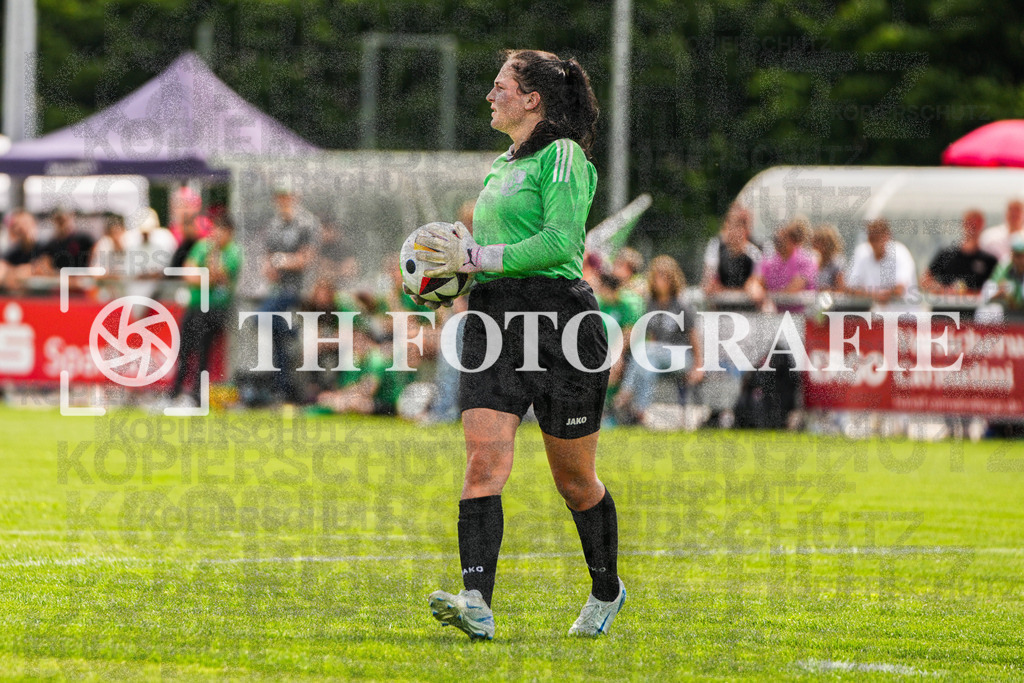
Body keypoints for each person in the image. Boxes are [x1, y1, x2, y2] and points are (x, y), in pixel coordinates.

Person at [411, 49, 624, 640]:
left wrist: (478, 256)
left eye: (499, 85)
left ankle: (606, 589)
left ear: (533, 99)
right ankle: (476, 598)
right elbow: (481, 257)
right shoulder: (499, 166)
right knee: (483, 461)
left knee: (575, 481)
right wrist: (442, 277)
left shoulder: (564, 156)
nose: (490, 95)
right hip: (493, 320)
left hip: (561, 324)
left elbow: (559, 243)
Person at [614, 255, 704, 424]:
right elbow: (648, 334)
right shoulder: (651, 304)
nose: (659, 281)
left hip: (682, 357)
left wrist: (699, 366)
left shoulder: (681, 305)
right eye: (657, 276)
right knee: (648, 366)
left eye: (664, 276)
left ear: (673, 279)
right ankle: (641, 412)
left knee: (647, 350)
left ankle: (626, 391)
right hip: (657, 356)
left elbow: (694, 337)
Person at [168, 214, 242, 406]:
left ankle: (196, 394)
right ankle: (174, 393)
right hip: (194, 305)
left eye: (221, 230)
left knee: (203, 351)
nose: (216, 234)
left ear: (229, 233)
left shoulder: (233, 252)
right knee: (183, 348)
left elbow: (217, 275)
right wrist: (204, 278)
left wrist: (210, 264)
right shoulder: (202, 246)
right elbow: (188, 271)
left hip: (215, 310)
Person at [258, 178, 318, 402]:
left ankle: (294, 330)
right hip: (278, 288)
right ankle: (282, 388)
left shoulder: (306, 223)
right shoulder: (274, 225)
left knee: (261, 318)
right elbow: (267, 258)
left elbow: (306, 259)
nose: (283, 200)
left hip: (299, 289)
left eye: (287, 195)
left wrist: (281, 261)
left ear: (295, 196)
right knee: (278, 342)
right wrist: (269, 267)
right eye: (280, 196)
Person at [844, 218, 918, 310]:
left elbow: (900, 289)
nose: (874, 242)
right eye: (871, 238)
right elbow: (849, 288)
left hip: (904, 317)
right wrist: (877, 295)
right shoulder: (861, 252)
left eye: (877, 238)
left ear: (887, 236)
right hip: (875, 317)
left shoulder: (900, 253)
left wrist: (868, 293)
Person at [746, 218, 817, 312]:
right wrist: (756, 290)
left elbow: (793, 290)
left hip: (803, 318)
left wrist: (768, 298)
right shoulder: (768, 260)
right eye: (776, 238)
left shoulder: (806, 260)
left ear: (794, 240)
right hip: (776, 318)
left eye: (782, 239)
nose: (777, 242)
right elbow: (755, 281)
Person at [920, 209, 997, 294]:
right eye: (970, 222)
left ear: (982, 226)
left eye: (977, 224)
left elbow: (995, 287)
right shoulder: (946, 254)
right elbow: (924, 280)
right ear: (963, 224)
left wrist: (971, 294)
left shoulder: (989, 260)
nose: (973, 227)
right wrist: (943, 290)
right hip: (945, 306)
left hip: (974, 306)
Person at [701, 203, 761, 297]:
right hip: (720, 305)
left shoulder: (754, 252)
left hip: (747, 307)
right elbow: (707, 284)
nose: (733, 231)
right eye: (730, 225)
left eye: (738, 225)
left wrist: (726, 291)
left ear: (745, 230)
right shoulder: (716, 246)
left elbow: (755, 288)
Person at [39, 209, 95, 274]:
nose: (62, 224)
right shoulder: (52, 244)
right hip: (61, 280)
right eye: (59, 221)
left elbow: (95, 249)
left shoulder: (83, 238)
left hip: (81, 278)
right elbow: (46, 262)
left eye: (64, 220)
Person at [0, 210, 45, 290]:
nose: (21, 228)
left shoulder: (44, 247)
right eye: (16, 225)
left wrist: (20, 272)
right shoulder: (14, 251)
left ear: (33, 224)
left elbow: (43, 268)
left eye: (24, 223)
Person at [982, 234, 1024, 316]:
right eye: (1018, 256)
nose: (1021, 260)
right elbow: (988, 290)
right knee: (990, 310)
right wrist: (998, 293)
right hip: (1007, 313)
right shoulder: (1004, 266)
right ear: (1012, 255)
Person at [810, 224, 845, 291]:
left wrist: (824, 290)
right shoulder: (811, 262)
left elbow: (841, 289)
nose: (813, 245)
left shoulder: (837, 263)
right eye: (813, 242)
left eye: (817, 242)